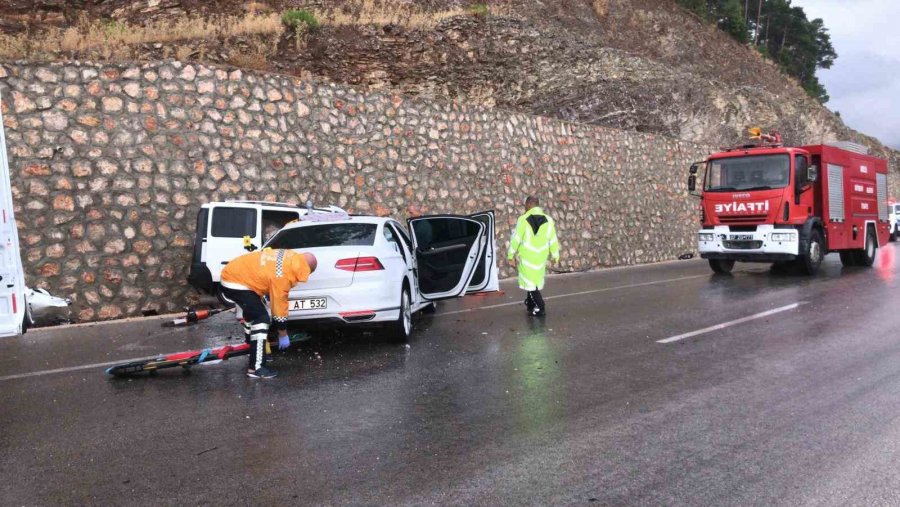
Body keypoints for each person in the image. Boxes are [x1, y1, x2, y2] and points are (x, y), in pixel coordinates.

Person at [220, 249, 318, 378]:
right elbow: (279, 305)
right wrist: (283, 333)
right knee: (262, 318)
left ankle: (253, 348)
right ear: (304, 270)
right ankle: (256, 368)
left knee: (255, 312)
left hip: (234, 275)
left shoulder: (290, 257)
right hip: (235, 282)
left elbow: (267, 274)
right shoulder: (285, 274)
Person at [507, 196, 560, 316]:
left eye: (525, 205)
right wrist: (555, 256)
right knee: (533, 281)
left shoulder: (523, 220)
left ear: (529, 205)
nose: (524, 208)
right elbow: (553, 240)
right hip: (541, 257)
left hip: (527, 257)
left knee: (530, 283)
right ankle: (530, 304)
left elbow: (516, 239)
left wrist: (510, 256)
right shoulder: (549, 220)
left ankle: (541, 307)